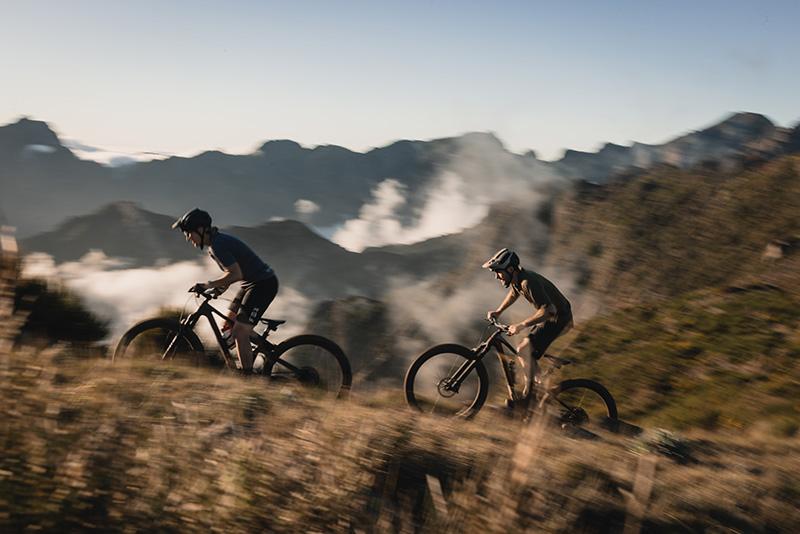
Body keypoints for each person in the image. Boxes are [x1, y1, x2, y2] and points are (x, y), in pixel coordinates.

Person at [172, 208, 278, 374]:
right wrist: (218, 290)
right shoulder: (214, 245)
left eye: (189, 233)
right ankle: (263, 349)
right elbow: (232, 272)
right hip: (249, 283)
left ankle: (247, 378)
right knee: (228, 327)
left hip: (262, 285)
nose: (188, 238)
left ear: (201, 230)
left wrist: (208, 285)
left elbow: (235, 274)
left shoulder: (218, 246)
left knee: (239, 333)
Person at [483, 248, 573, 409]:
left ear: (510, 269)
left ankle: (529, 397)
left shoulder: (527, 282)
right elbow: (514, 293)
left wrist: (521, 325)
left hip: (559, 319)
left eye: (498, 272)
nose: (497, 276)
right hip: (553, 317)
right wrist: (498, 311)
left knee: (524, 349)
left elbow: (549, 310)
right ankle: (538, 389)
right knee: (525, 352)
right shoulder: (518, 279)